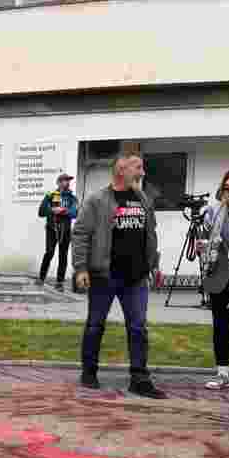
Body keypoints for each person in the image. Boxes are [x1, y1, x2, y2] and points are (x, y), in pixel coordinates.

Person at [72, 154, 166, 398]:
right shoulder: (97, 200)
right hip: (104, 275)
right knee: (95, 325)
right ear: (121, 170)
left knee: (138, 327)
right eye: (138, 167)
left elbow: (150, 234)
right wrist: (81, 268)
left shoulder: (143, 199)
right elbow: (80, 234)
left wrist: (154, 265)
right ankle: (89, 372)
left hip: (136, 277)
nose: (142, 172)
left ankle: (139, 378)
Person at [196, 167, 229, 390]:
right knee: (221, 325)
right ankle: (222, 374)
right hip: (220, 274)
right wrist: (204, 246)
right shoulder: (213, 211)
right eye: (228, 187)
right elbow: (206, 240)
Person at [37, 173, 79, 290]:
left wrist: (63, 211)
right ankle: (41, 278)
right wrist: (52, 210)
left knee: (63, 255)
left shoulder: (72, 198)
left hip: (65, 231)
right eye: (65, 180)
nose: (67, 182)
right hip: (52, 229)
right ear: (59, 182)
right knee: (49, 253)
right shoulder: (50, 195)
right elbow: (41, 212)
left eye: (68, 180)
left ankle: (59, 282)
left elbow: (75, 213)